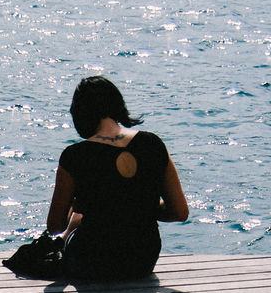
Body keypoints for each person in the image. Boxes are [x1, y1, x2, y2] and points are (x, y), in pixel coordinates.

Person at [45, 76, 188, 281]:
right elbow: (180, 212)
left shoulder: (74, 155)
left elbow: (54, 225)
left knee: (77, 219)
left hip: (94, 260)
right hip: (143, 259)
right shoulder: (153, 144)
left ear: (80, 114)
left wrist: (80, 207)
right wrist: (136, 205)